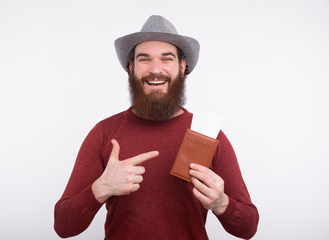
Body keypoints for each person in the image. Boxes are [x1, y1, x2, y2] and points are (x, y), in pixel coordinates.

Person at [54, 15, 259, 240]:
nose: (155, 69)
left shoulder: (208, 136)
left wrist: (222, 203)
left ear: (182, 66)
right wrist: (101, 188)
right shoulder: (104, 134)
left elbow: (248, 228)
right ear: (131, 68)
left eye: (166, 59)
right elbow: (63, 226)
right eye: (144, 59)